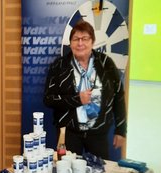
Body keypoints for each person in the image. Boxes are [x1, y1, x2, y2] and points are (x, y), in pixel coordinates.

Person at [43, 20, 127, 160]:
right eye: (76, 39)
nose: (80, 43)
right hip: (69, 133)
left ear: (92, 41)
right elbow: (48, 99)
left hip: (98, 133)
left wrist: (121, 130)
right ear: (70, 43)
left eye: (85, 38)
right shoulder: (59, 66)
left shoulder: (106, 64)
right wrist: (77, 99)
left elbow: (118, 96)